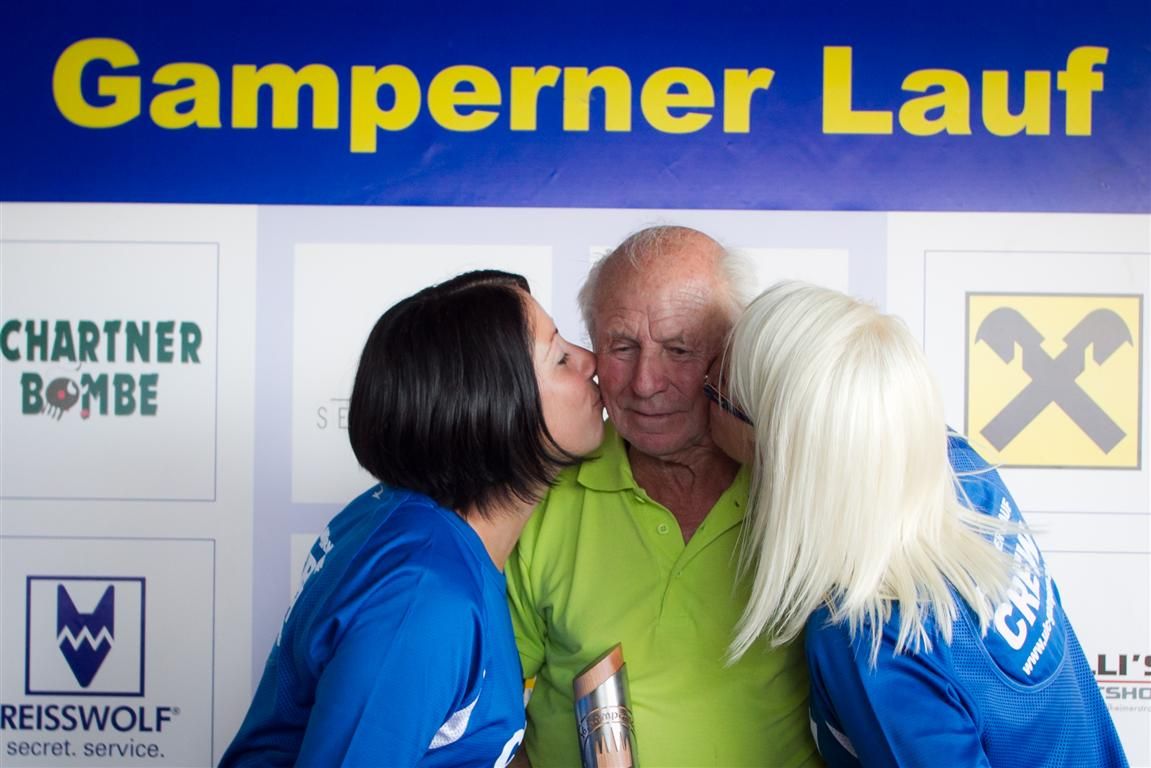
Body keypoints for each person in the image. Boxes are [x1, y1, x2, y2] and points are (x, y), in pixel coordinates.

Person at [713, 281, 1128, 767]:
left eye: (716, 388)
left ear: (776, 444)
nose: (698, 382)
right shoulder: (955, 465)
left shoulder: (870, 637)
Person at [220, 270, 604, 767]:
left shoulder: (404, 521)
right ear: (493, 407)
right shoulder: (424, 598)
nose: (590, 361)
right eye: (560, 358)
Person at [506, 227, 818, 767]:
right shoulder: (537, 496)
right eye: (622, 347)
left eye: (679, 349)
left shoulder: (806, 490)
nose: (646, 382)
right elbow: (484, 723)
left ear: (734, 352)